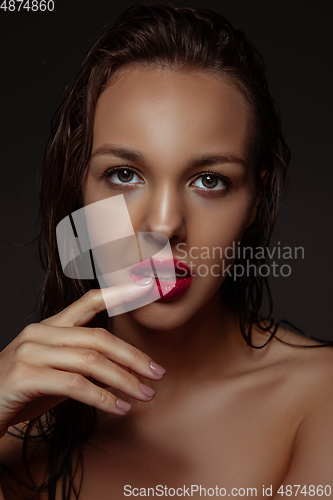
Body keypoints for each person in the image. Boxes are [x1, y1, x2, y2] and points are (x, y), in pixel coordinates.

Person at [0, 4, 332, 499]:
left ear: (255, 200)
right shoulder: (15, 425)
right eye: (124, 175)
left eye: (209, 181)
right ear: (78, 192)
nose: (163, 224)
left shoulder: (320, 400)